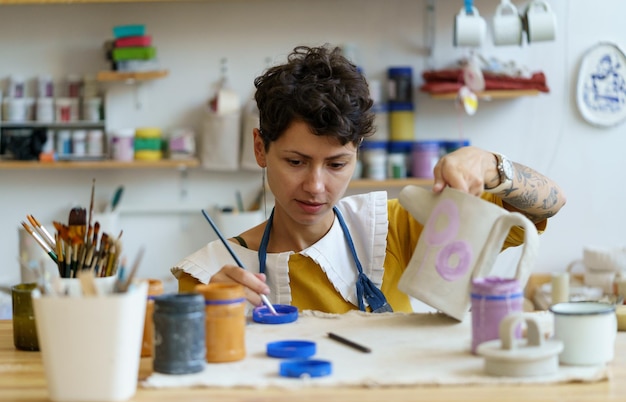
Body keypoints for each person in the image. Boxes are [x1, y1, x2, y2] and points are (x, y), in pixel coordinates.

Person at [171, 44, 566, 313]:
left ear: (357, 153)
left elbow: (551, 202)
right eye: (296, 161)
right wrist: (210, 315)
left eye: (337, 164)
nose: (316, 185)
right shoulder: (214, 271)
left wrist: (492, 165)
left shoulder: (392, 228)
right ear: (261, 149)